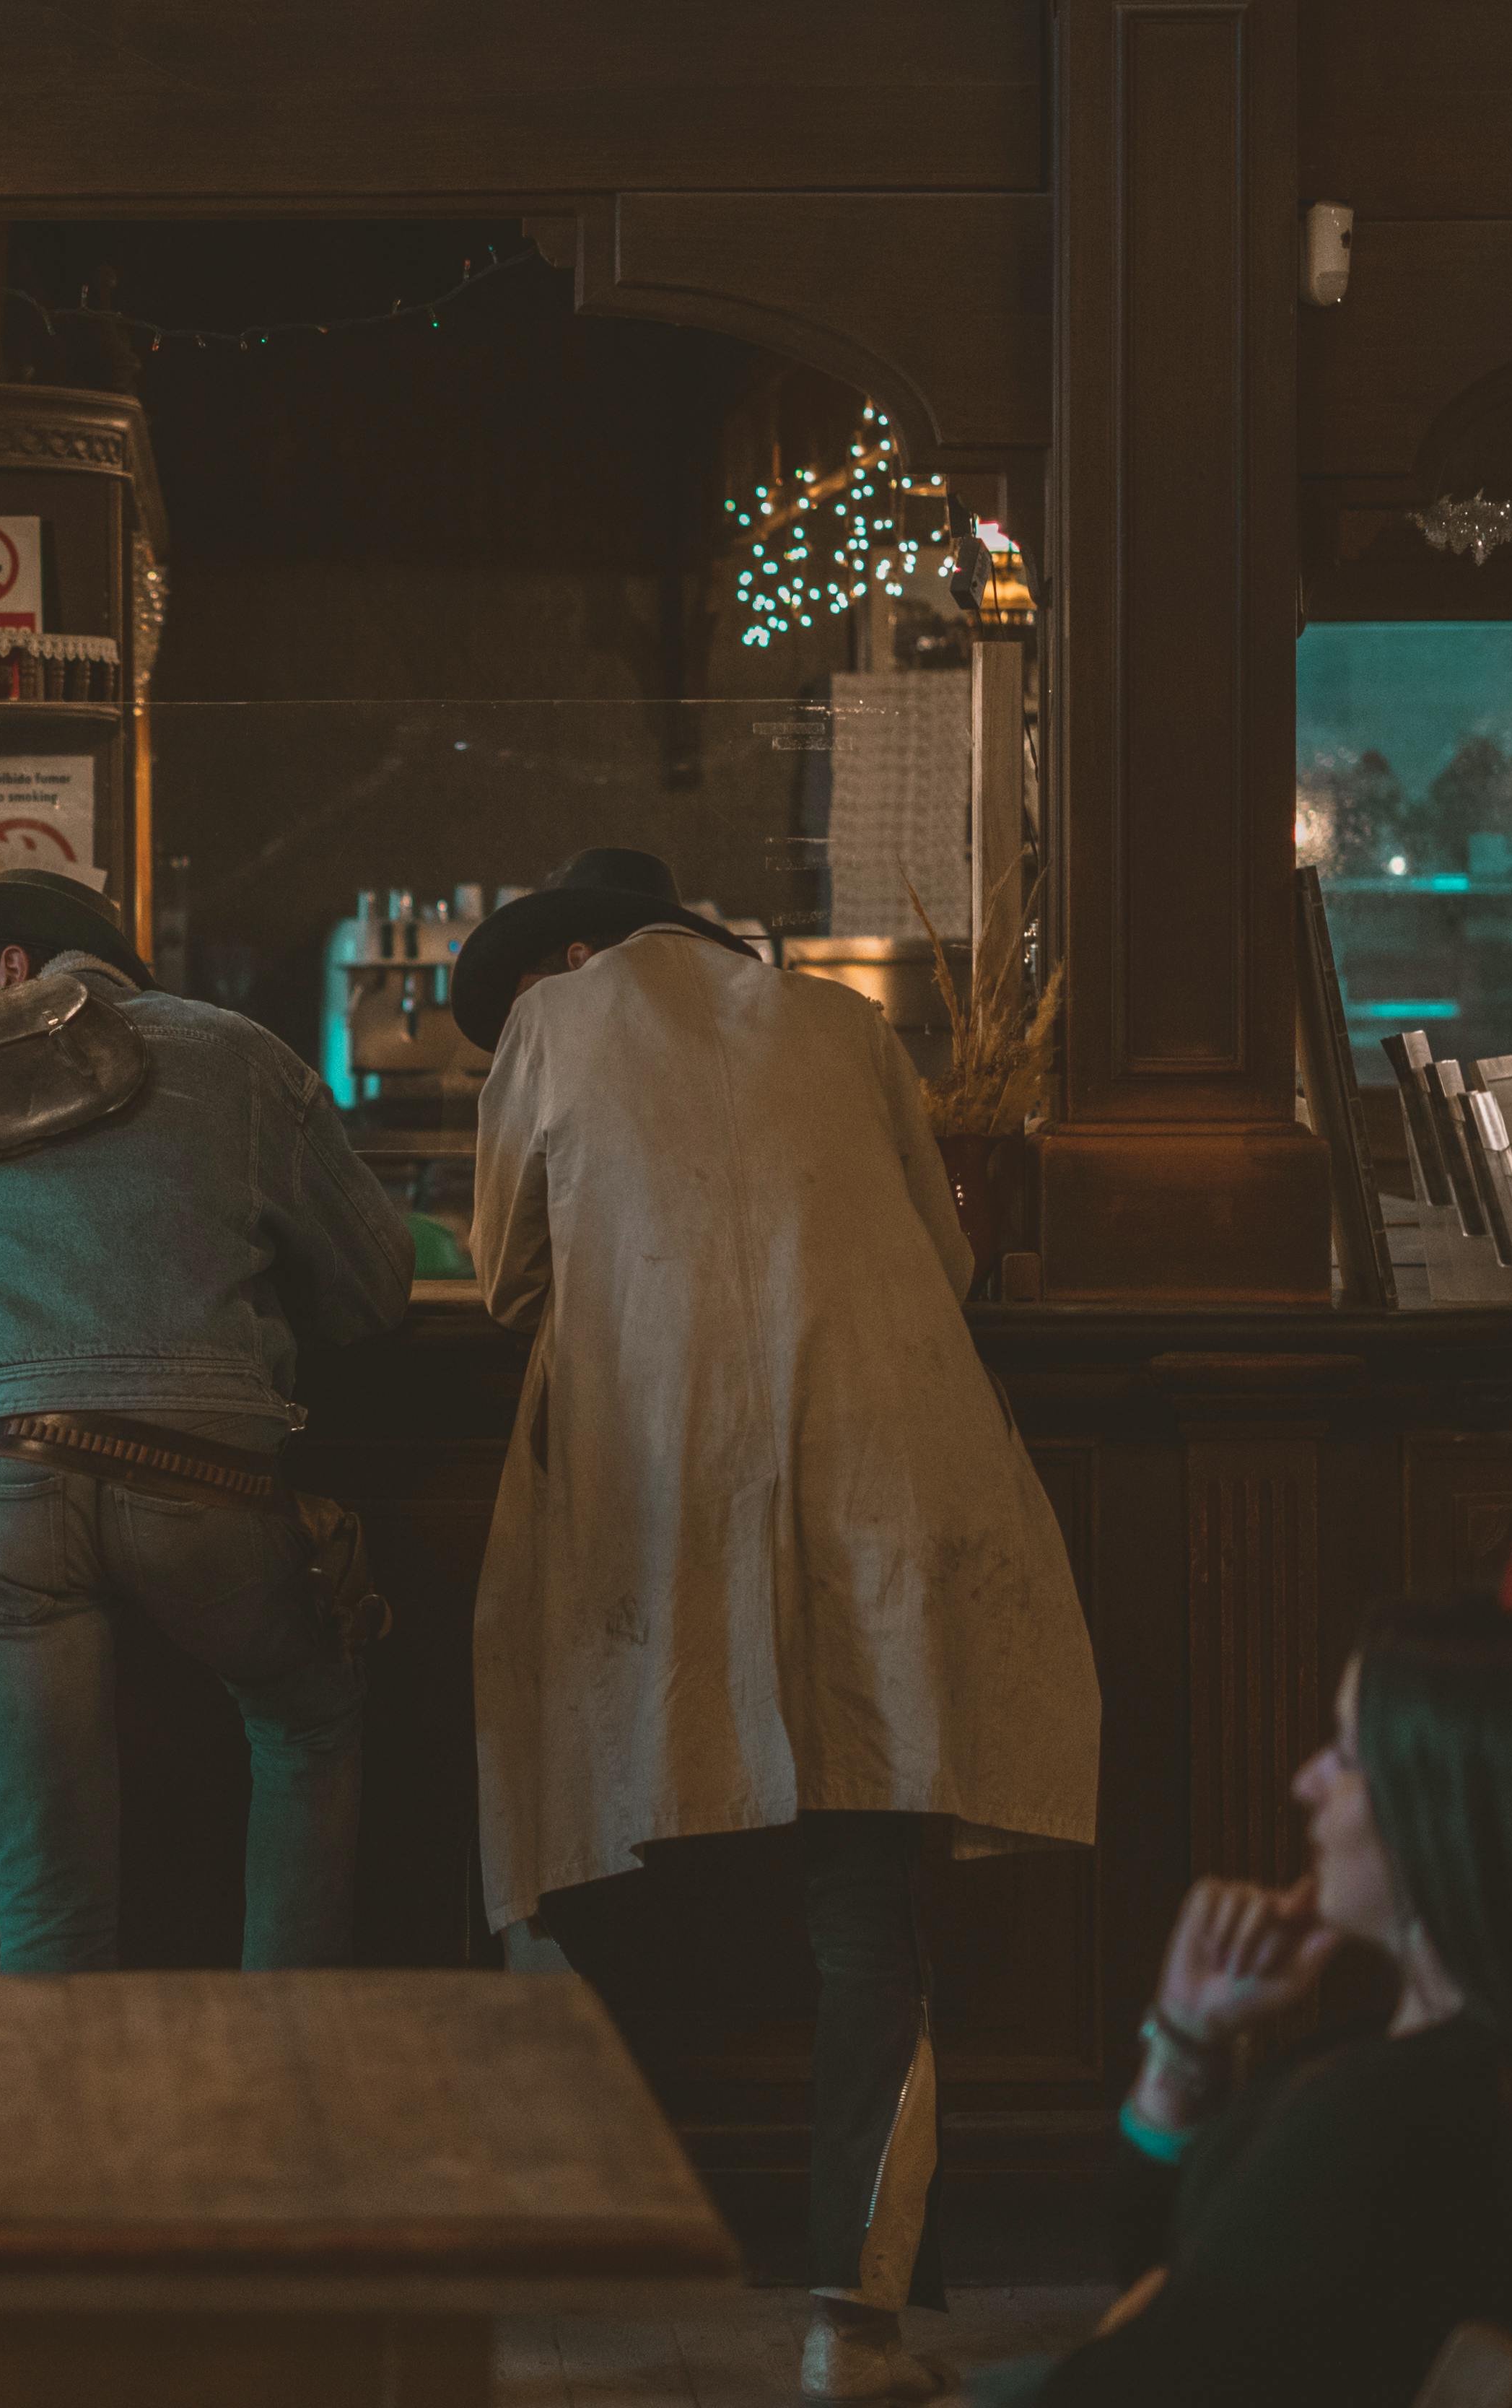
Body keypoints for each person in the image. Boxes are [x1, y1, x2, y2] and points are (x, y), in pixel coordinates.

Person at [450, 848, 1102, 2404]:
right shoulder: (842, 1024)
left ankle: (585, 2243)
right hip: (890, 1489)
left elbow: (503, 1277)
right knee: (862, 1908)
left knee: (566, 1841)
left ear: (574, 953)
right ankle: (858, 2301)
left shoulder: (552, 1027)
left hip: (661, 1494)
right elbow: (942, 1258)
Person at [965, 1504, 1512, 2407]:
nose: (1305, 1784)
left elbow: (1128, 2375)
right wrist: (1186, 2042)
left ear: (1445, 1813)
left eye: (1343, 1753)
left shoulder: (1384, 2121)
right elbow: (1181, 2281)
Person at [0, 868, 414, 1973]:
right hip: (209, 1485)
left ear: (11, 964)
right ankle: (291, 2065)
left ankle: (67, 2132)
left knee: (51, 1894)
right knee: (306, 1719)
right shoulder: (242, 1056)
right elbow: (374, 1294)